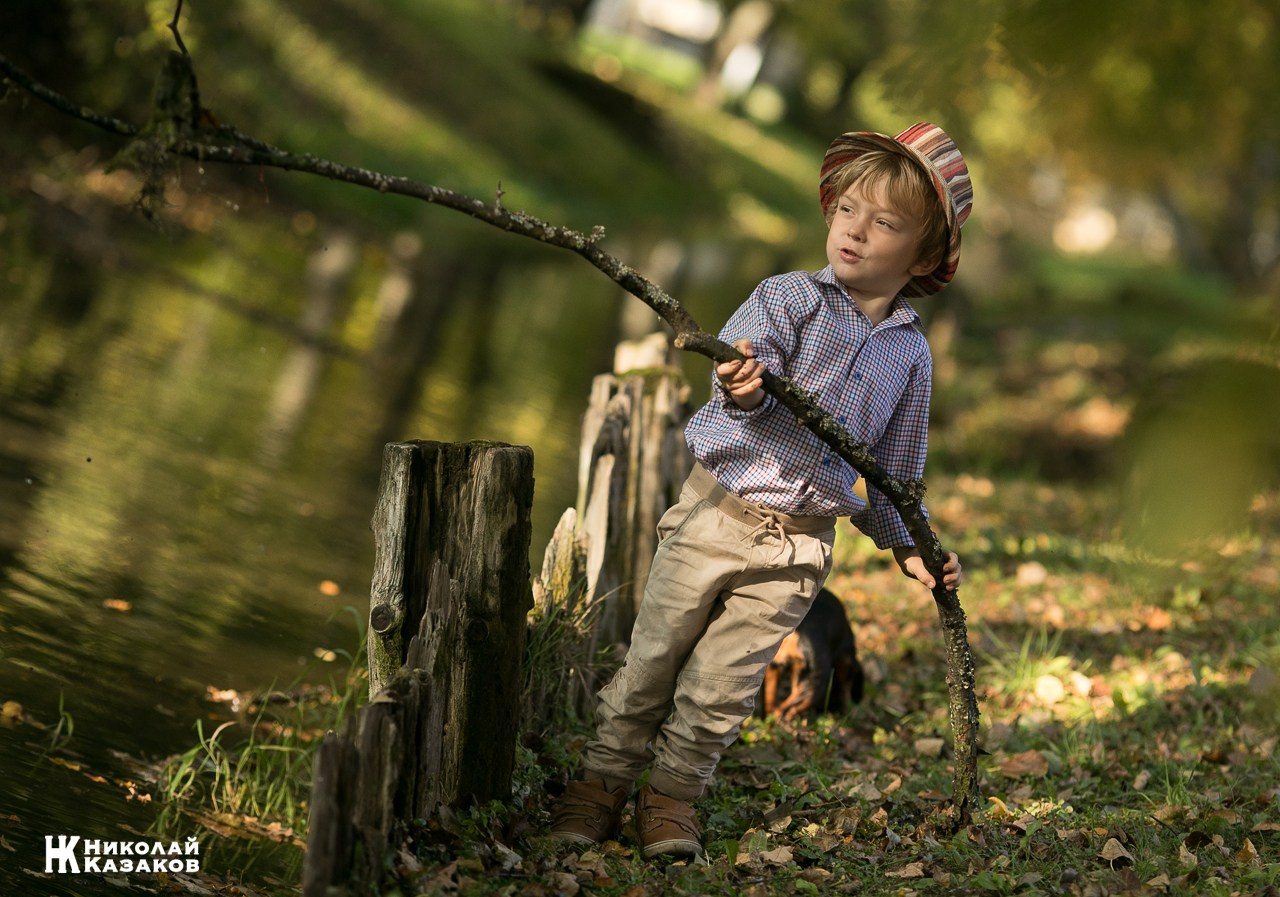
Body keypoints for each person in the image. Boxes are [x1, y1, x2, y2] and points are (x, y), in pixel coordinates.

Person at [548, 122, 971, 860]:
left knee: (722, 686)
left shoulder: (910, 352)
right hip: (719, 509)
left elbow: (894, 473)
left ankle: (671, 795)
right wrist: (742, 385)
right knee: (652, 661)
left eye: (886, 222)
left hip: (798, 547)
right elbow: (747, 368)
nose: (857, 230)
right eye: (848, 210)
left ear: (925, 254)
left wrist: (912, 545)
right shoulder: (788, 299)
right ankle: (599, 784)